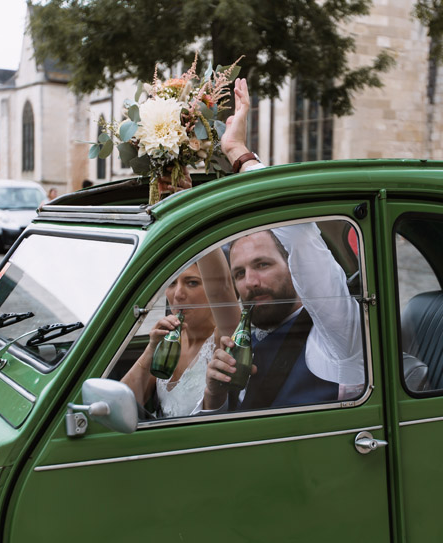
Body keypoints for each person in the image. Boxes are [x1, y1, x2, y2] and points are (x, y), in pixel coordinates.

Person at [201, 78, 364, 411]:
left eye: (263, 264)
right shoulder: (240, 339)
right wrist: (214, 396)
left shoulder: (337, 338)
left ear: (293, 265)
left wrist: (237, 153)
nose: (251, 282)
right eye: (240, 273)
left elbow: (300, 235)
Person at [122, 253, 240, 418]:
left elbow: (221, 288)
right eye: (171, 283)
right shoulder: (167, 339)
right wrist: (151, 350)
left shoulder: (226, 337)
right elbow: (121, 405)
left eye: (192, 283)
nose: (177, 294)